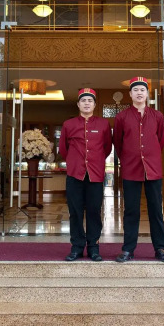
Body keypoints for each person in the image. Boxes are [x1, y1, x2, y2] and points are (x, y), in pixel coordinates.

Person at [113, 76, 164, 263]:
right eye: (136, 90)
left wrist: (149, 156)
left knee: (156, 210)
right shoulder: (121, 117)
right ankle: (128, 249)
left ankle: (161, 248)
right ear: (130, 94)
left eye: (142, 90)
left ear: (147, 94)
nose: (139, 93)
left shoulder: (157, 116)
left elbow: (160, 141)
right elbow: (118, 143)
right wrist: (129, 159)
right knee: (131, 210)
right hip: (131, 169)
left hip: (152, 169)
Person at [58, 88, 113, 262]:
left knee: (94, 212)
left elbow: (107, 148)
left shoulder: (103, 124)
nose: (87, 103)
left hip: (95, 175)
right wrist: (75, 162)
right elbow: (63, 149)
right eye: (83, 100)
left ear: (95, 105)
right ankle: (76, 247)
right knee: (75, 212)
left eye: (90, 101)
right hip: (75, 175)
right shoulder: (69, 124)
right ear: (78, 104)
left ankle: (94, 248)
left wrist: (95, 161)